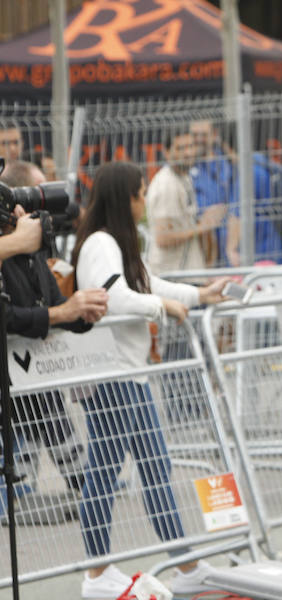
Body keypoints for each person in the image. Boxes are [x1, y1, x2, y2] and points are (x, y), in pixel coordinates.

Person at [71, 161, 228, 599]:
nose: (145, 201)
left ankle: (171, 565)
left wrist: (196, 295)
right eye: (140, 193)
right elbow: (115, 297)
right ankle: (107, 572)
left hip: (122, 374)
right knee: (125, 470)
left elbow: (145, 281)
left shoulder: (114, 242)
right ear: (126, 198)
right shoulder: (101, 243)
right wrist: (164, 308)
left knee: (136, 468)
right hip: (115, 376)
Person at [0, 161, 107, 522]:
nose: (43, 202)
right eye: (36, 192)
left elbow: (54, 303)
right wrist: (62, 315)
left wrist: (84, 312)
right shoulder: (9, 248)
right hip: (13, 378)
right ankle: (84, 483)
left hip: (34, 375)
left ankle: (75, 485)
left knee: (38, 420)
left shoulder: (33, 247)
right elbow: (9, 317)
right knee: (41, 418)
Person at [146, 128, 225, 275]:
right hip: (172, 277)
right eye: (181, 148)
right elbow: (163, 239)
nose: (188, 153)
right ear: (166, 152)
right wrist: (202, 227)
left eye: (191, 146)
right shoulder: (166, 185)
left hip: (187, 274)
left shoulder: (184, 177)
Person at [190, 120, 240, 267]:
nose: (199, 139)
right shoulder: (185, 166)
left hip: (228, 242)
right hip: (199, 246)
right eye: (195, 135)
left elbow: (238, 204)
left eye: (204, 135)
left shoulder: (228, 164)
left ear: (214, 135)